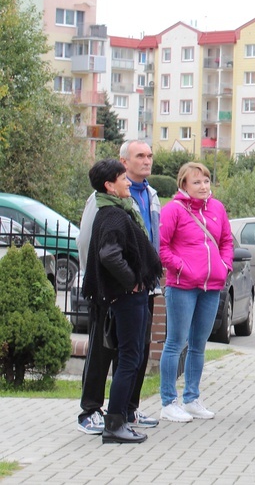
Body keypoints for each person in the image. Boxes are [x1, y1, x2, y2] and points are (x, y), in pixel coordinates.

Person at [76, 140, 161, 435]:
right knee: (108, 351)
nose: (147, 160)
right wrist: (126, 280)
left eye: (150, 155)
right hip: (114, 291)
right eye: (140, 155)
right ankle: (94, 411)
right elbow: (95, 245)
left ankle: (127, 410)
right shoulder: (105, 205)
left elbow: (150, 239)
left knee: (134, 353)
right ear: (123, 163)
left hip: (139, 289)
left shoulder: (147, 196)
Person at [159, 162, 234, 423]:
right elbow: (162, 247)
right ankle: (168, 401)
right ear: (183, 185)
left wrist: (224, 266)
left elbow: (226, 240)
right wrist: (182, 268)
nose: (203, 186)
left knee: (199, 345)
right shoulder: (173, 211)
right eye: (196, 182)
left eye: (206, 181)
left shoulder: (217, 208)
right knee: (176, 343)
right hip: (182, 287)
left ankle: (191, 398)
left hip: (211, 286)